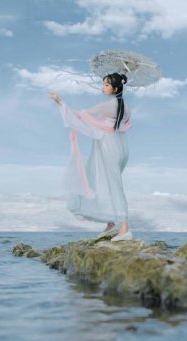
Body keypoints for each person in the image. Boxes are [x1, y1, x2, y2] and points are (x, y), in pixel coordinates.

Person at [49, 73, 132, 241]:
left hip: (107, 147)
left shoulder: (109, 105)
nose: (103, 87)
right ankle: (111, 224)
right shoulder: (126, 107)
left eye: (106, 85)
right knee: (107, 183)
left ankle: (124, 229)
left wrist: (59, 101)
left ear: (115, 88)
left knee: (112, 185)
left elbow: (79, 115)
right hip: (120, 148)